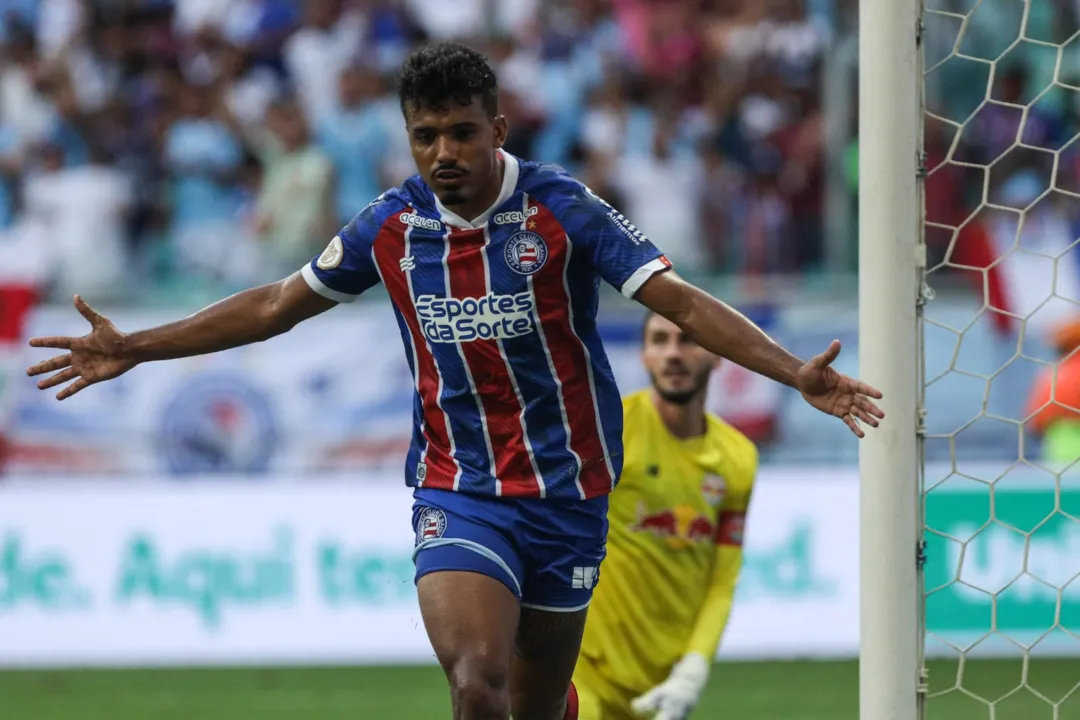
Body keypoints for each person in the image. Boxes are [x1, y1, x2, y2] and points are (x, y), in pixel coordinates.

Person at [25, 43, 884, 720]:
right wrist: (138, 345)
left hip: (570, 489)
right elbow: (277, 305)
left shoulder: (563, 209)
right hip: (461, 487)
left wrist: (792, 371)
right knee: (479, 685)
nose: (444, 152)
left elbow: (683, 304)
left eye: (461, 132)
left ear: (497, 128)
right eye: (425, 136)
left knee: (542, 704)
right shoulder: (392, 227)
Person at [573, 311, 756, 720]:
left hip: (660, 685)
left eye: (687, 340)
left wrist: (694, 667)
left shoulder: (738, 459)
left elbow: (722, 580)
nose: (673, 353)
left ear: (717, 354)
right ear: (644, 355)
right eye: (659, 340)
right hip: (581, 670)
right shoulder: (610, 430)